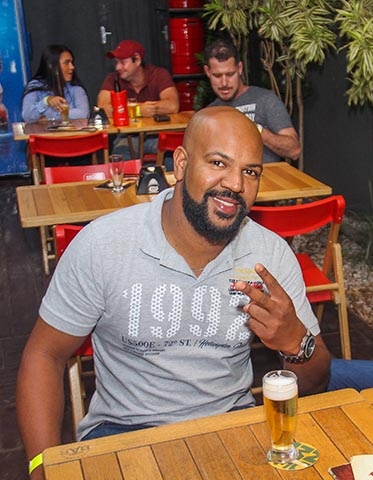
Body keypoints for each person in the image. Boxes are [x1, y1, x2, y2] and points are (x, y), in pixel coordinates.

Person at [16, 106, 331, 479]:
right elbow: (44, 355)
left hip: (230, 427)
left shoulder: (270, 254)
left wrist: (295, 342)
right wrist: (41, 468)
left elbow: (316, 381)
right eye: (218, 163)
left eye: (250, 171)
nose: (235, 183)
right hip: (124, 435)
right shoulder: (102, 245)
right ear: (181, 164)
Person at [204, 36, 301, 163]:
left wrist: (257, 130)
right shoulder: (210, 112)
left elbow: (294, 150)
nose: (224, 83)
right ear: (207, 72)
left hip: (265, 173)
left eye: (230, 74)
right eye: (217, 76)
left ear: (240, 68)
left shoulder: (265, 100)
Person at [97, 40, 179, 158]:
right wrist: (138, 110)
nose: (117, 67)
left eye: (122, 62)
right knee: (121, 156)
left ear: (137, 60)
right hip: (128, 136)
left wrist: (127, 109)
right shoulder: (113, 78)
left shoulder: (158, 74)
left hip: (158, 134)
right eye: (116, 62)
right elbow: (103, 108)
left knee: (174, 155)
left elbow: (172, 105)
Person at [21, 44, 89, 123]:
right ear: (51, 66)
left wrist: (51, 116)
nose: (72, 67)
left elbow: (83, 114)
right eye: (66, 63)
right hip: (45, 131)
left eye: (72, 62)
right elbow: (26, 116)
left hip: (72, 131)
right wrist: (46, 101)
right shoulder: (35, 86)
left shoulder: (76, 88)